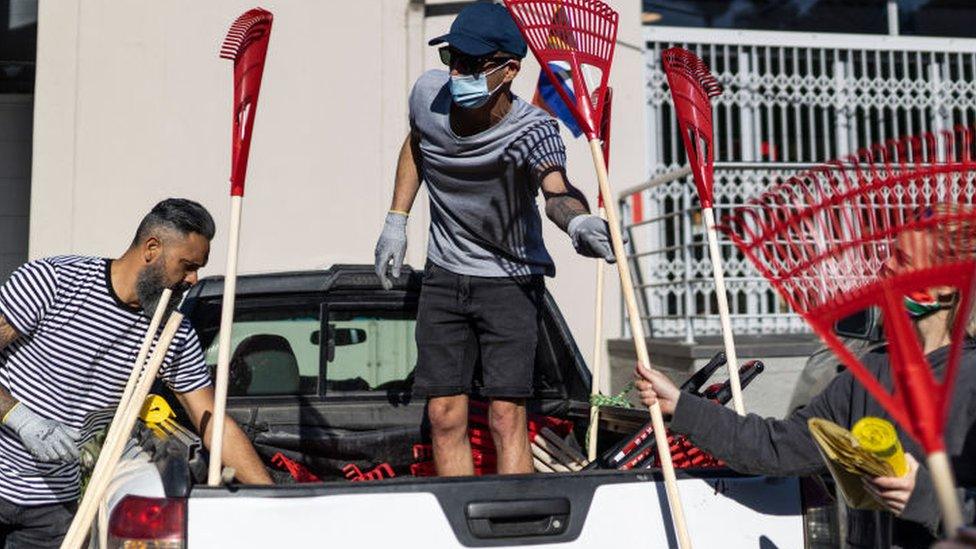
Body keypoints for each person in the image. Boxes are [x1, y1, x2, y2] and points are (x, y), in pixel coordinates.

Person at [373, 2, 616, 477]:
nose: (457, 71)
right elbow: (417, 142)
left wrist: (578, 223)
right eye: (452, 59)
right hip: (445, 275)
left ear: (509, 70)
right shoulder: (427, 93)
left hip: (509, 281)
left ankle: (515, 523)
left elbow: (557, 190)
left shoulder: (532, 131)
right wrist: (396, 219)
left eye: (471, 63)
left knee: (507, 417)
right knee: (444, 416)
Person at [637, 218, 976, 547]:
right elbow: (778, 447)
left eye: (902, 259)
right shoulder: (867, 374)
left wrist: (930, 499)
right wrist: (683, 407)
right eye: (889, 252)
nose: (884, 265)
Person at [0, 198, 272, 547]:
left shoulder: (173, 333)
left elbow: (213, 423)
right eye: (187, 265)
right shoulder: (53, 282)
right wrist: (19, 417)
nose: (193, 279)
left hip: (52, 508)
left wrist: (273, 502)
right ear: (152, 248)